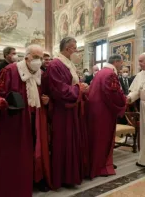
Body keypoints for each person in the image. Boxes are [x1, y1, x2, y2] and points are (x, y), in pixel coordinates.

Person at [0, 44, 48, 197]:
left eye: (41, 58)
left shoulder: (40, 74)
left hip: (34, 120)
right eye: (36, 57)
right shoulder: (10, 70)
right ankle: (8, 190)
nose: (39, 61)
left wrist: (47, 100)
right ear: (27, 57)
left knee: (29, 155)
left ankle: (27, 186)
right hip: (14, 121)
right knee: (11, 157)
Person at [46, 37, 89, 189]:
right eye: (75, 48)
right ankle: (63, 177)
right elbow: (58, 90)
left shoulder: (68, 63)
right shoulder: (55, 64)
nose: (77, 51)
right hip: (62, 111)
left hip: (72, 109)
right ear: (67, 48)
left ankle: (71, 175)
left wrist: (80, 87)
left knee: (72, 142)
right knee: (64, 143)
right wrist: (79, 89)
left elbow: (70, 84)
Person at [87, 54, 126, 178]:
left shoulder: (101, 72)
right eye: (121, 63)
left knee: (97, 139)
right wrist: (124, 101)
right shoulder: (110, 74)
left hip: (96, 110)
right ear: (116, 62)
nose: (122, 65)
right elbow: (113, 94)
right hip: (104, 112)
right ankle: (101, 166)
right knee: (103, 139)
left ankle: (99, 164)